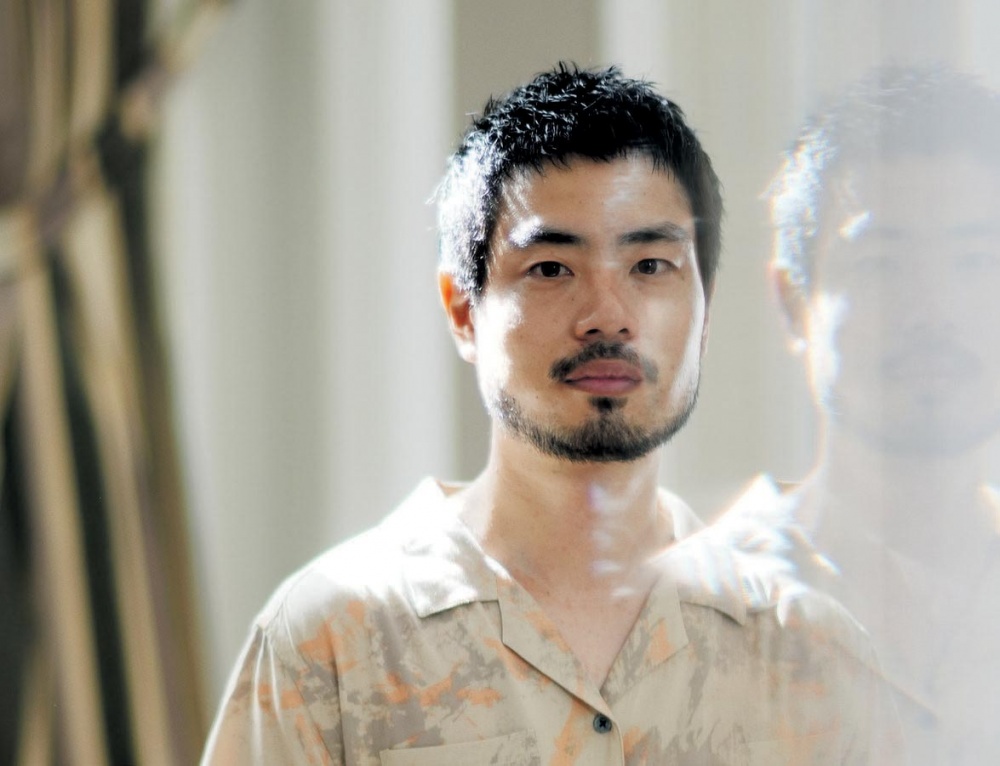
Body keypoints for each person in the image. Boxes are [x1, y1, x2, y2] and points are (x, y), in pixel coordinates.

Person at [202, 64, 892, 765]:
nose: (609, 316)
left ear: (704, 307)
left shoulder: (810, 656)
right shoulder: (332, 642)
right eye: (551, 269)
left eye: (651, 266)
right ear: (463, 310)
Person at [721, 66, 1000, 764]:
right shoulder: (683, 616)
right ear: (793, 303)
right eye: (881, 265)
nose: (936, 311)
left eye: (976, 262)